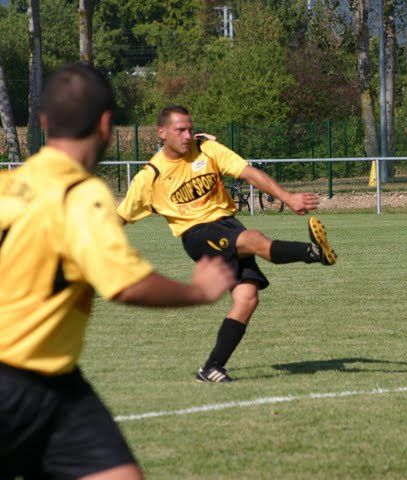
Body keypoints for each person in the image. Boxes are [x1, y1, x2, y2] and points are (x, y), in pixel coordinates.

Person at [0, 64, 235, 480]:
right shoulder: (81, 192)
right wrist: (198, 291)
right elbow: (126, 285)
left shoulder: (7, 185)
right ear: (106, 124)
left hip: (58, 383)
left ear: (42, 123)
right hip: (17, 380)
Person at [117, 105, 337, 383]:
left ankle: (211, 368)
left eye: (189, 128)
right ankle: (315, 252)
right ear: (161, 132)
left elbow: (248, 173)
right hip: (197, 234)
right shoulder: (150, 176)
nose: (187, 135)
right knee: (255, 240)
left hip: (227, 223)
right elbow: (120, 216)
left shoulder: (208, 150)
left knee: (247, 298)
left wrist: (288, 197)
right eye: (179, 130)